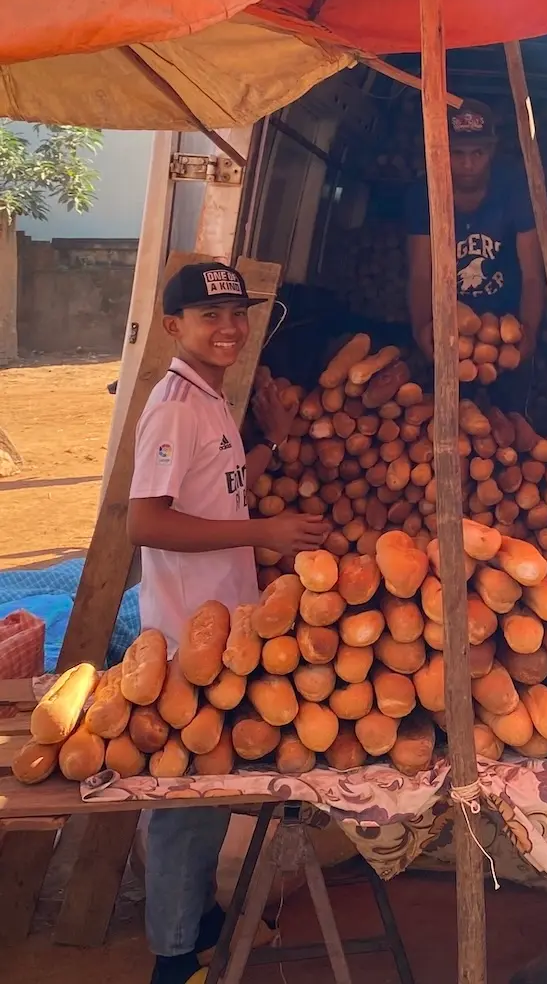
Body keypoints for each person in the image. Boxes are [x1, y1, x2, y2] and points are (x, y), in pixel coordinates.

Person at [127, 262, 330, 984]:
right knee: (185, 803)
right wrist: (261, 534)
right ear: (173, 325)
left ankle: (201, 920)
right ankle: (173, 959)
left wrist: (269, 445)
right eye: (209, 317)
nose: (228, 328)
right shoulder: (175, 406)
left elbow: (215, 492)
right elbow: (145, 521)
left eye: (238, 314)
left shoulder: (211, 397)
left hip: (221, 627)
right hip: (187, 636)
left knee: (211, 787)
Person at [405, 98, 545, 407]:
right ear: (442, 152)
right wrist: (420, 330)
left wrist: (530, 332)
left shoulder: (515, 191)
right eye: (458, 153)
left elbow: (533, 274)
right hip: (448, 328)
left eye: (477, 153)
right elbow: (419, 273)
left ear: (491, 152)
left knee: (509, 418)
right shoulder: (423, 194)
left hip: (504, 325)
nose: (468, 164)